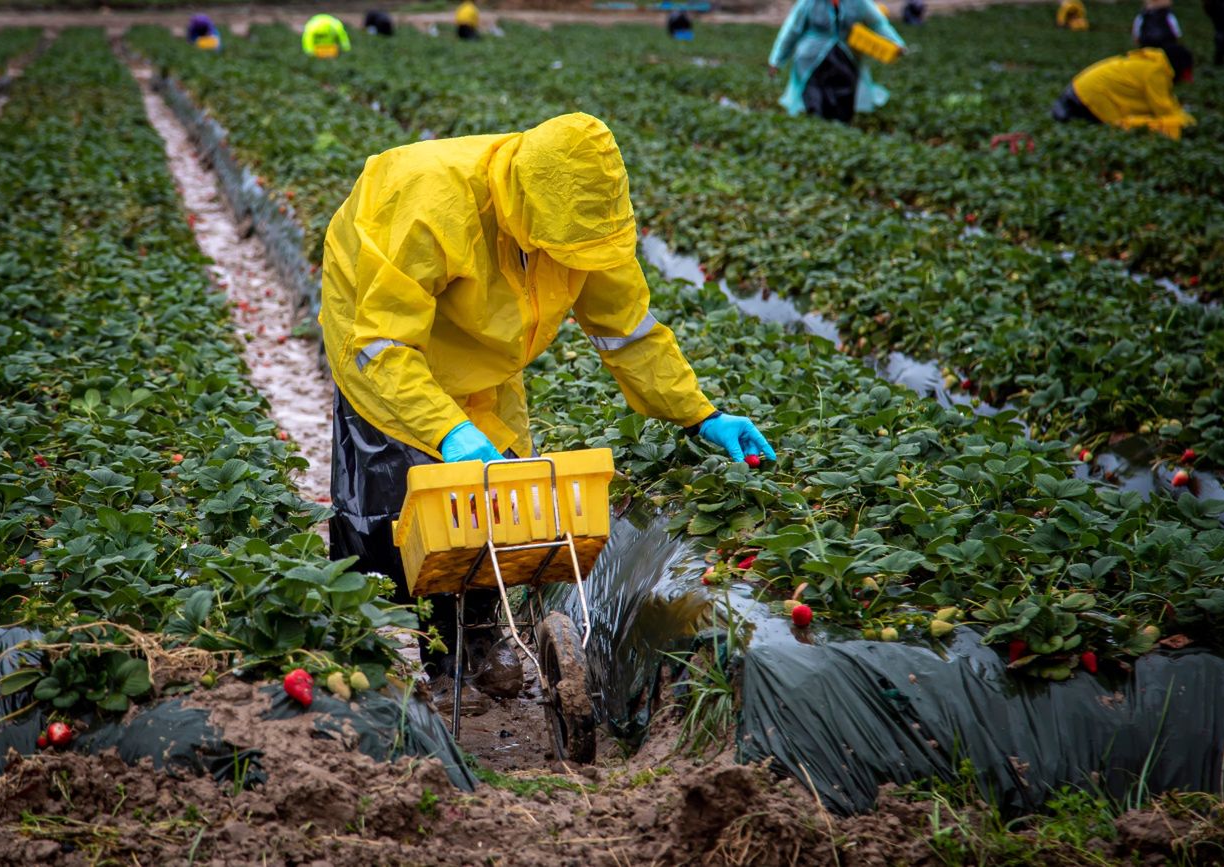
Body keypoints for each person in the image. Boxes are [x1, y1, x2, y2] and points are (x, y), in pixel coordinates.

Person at [318, 112, 776, 676]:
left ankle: (473, 646)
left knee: (493, 496)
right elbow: (382, 347)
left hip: (484, 346)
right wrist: (448, 431)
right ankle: (354, 631)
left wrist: (701, 415)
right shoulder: (429, 204)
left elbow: (628, 332)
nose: (575, 261)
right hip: (380, 329)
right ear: (527, 211)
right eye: (564, 247)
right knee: (393, 498)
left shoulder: (586, 229)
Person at [768, 0, 906, 122]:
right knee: (815, 97)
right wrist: (776, 60)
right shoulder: (809, 2)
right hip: (812, 60)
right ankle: (818, 127)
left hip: (845, 57)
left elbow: (878, 23)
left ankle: (839, 128)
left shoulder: (859, 2)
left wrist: (896, 42)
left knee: (843, 98)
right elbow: (792, 30)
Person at [1051, 44, 1195, 139]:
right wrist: (1184, 120)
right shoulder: (1156, 72)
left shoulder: (1149, 63)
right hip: (1089, 98)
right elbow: (1163, 109)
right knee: (1117, 129)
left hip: (1077, 92)